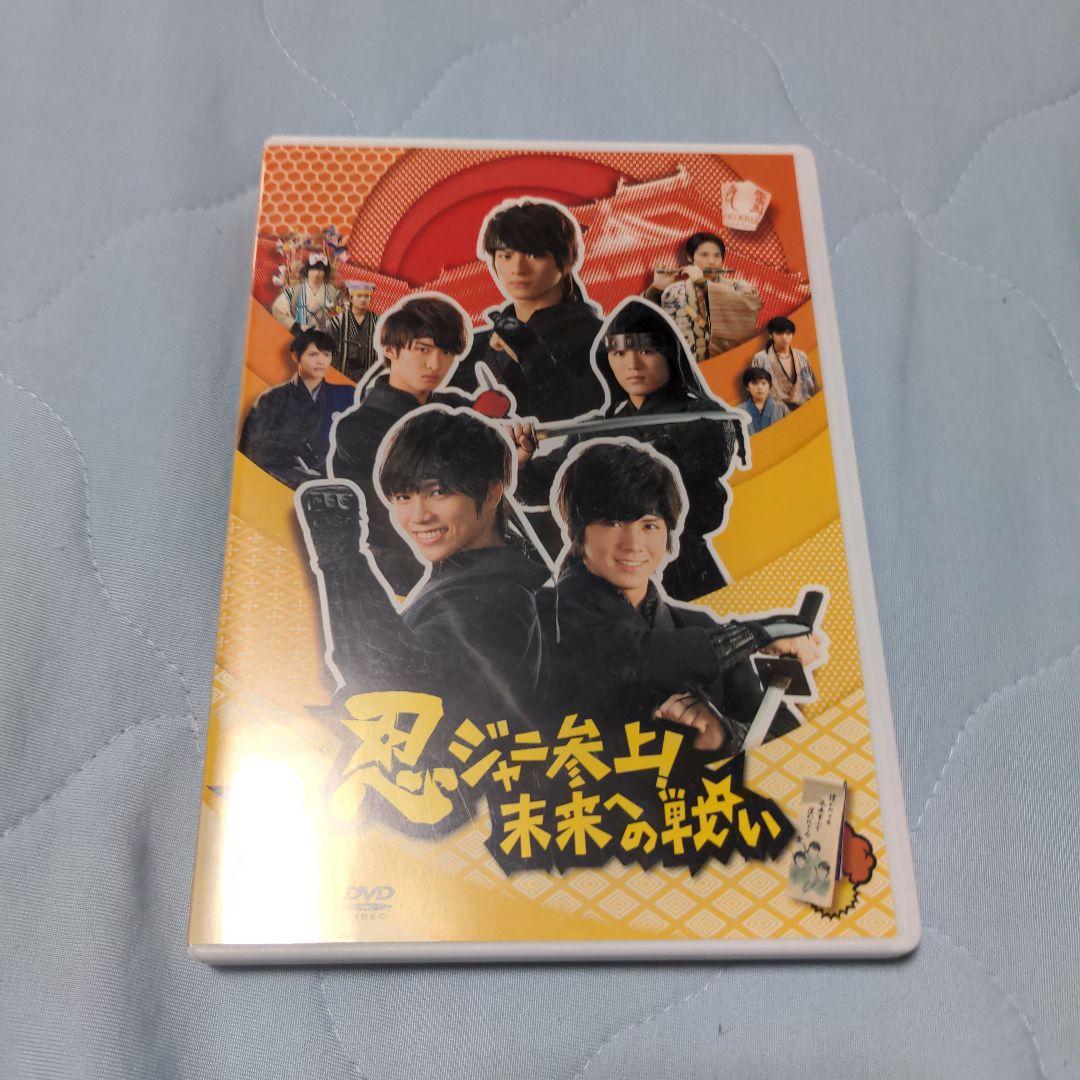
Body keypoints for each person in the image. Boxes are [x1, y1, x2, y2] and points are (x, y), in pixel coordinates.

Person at [543, 440, 823, 754]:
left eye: (650, 525)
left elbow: (785, 737)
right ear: (578, 531)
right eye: (613, 523)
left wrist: (727, 735)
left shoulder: (698, 626)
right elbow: (637, 657)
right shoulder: (542, 616)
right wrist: (757, 634)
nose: (633, 543)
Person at [298, 406, 550, 736]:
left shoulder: (497, 601)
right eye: (403, 496)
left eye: (438, 492)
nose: (418, 516)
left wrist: (342, 558)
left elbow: (399, 688)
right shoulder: (470, 575)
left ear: (491, 492)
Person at [512, 299, 746, 602]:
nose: (632, 365)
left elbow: (683, 468)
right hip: (608, 575)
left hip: (681, 568)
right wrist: (521, 461)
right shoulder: (597, 428)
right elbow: (537, 489)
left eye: (646, 351)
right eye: (619, 353)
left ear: (669, 355)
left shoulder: (703, 418)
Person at [330, 294, 470, 595]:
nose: (435, 364)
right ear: (390, 350)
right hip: (402, 571)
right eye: (423, 349)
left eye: (446, 352)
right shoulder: (358, 427)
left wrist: (515, 454)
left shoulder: (454, 406)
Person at [448, 199, 604, 421]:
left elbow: (588, 414)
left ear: (567, 260)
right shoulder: (477, 345)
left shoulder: (599, 339)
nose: (518, 269)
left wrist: (531, 354)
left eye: (534, 255)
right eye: (506, 256)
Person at [238, 328, 354, 489]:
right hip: (278, 484)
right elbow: (251, 451)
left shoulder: (345, 397)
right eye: (313, 354)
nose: (321, 361)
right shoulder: (271, 399)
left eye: (326, 355)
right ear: (295, 356)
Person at [647, 231, 728, 363]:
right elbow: (650, 327)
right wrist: (656, 289)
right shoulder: (674, 292)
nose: (711, 261)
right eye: (704, 255)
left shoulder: (737, 288)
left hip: (724, 364)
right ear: (690, 258)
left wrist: (701, 282)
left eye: (717, 256)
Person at [752, 316, 818, 409]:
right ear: (771, 335)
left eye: (788, 333)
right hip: (776, 410)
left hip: (805, 406)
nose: (784, 337)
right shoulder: (760, 358)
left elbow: (812, 383)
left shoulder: (801, 356)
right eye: (779, 333)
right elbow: (755, 388)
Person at [271, 253, 341, 334]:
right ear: (306, 271)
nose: (316, 273)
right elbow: (278, 309)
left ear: (325, 273)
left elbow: (342, 312)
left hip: (324, 336)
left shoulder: (333, 292)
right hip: (299, 335)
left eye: (320, 270)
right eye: (313, 269)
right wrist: (296, 326)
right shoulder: (295, 291)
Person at [329, 279, 379, 382]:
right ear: (351, 298)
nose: (363, 299)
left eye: (366, 296)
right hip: (340, 373)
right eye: (359, 296)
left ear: (370, 299)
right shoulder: (338, 320)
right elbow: (326, 345)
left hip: (366, 377)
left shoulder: (378, 321)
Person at [738, 365, 790, 433]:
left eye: (763, 383)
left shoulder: (781, 408)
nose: (760, 387)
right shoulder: (738, 412)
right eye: (754, 383)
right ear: (747, 387)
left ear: (769, 386)